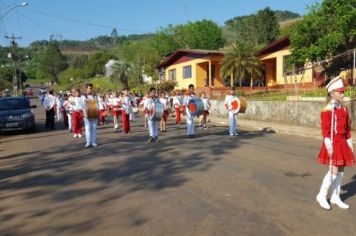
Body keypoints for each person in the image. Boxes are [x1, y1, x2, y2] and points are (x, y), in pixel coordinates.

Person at [316, 75, 355, 210]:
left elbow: (347, 129)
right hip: (333, 142)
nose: (342, 94)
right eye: (340, 92)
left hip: (342, 142)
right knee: (334, 170)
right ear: (332, 93)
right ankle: (321, 195)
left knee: (341, 170)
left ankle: (335, 196)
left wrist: (350, 143)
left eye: (343, 92)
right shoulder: (328, 110)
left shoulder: (344, 109)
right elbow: (326, 131)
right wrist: (328, 145)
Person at [82, 83, 99, 147]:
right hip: (87, 114)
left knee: (94, 128)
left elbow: (97, 105)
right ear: (86, 89)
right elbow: (83, 106)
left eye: (91, 88)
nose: (90, 89)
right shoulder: (83, 96)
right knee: (88, 128)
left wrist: (97, 112)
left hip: (94, 112)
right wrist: (84, 114)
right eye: (89, 88)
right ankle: (88, 142)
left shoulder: (95, 96)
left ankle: (93, 141)